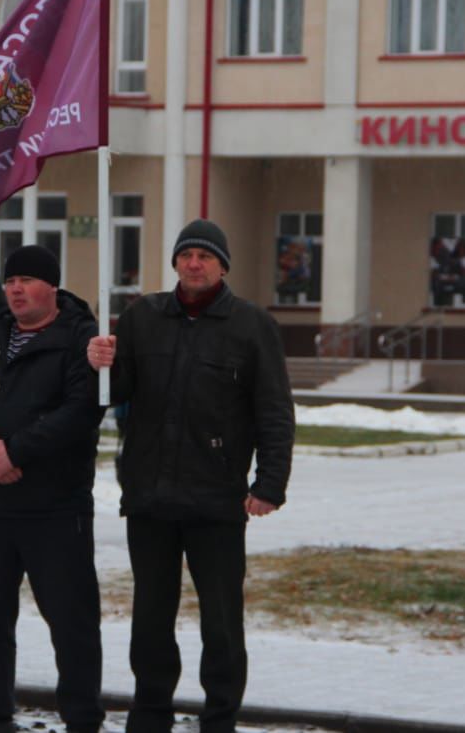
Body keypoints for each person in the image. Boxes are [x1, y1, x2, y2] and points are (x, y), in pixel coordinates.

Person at [86, 219, 294, 733]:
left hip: (217, 499)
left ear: (223, 266)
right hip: (150, 497)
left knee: (221, 622)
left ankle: (219, 716)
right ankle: (151, 712)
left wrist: (269, 484)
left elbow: (274, 410)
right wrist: (100, 365)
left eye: (205, 256)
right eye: (186, 255)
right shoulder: (142, 318)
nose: (194, 264)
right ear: (176, 263)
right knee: (151, 618)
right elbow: (116, 395)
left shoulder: (251, 326)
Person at [0, 245, 105, 733]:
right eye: (11, 281)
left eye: (27, 281)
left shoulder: (81, 341)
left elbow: (80, 412)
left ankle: (81, 717)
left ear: (51, 288)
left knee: (71, 620)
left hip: (56, 508)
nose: (15, 289)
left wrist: (15, 452)